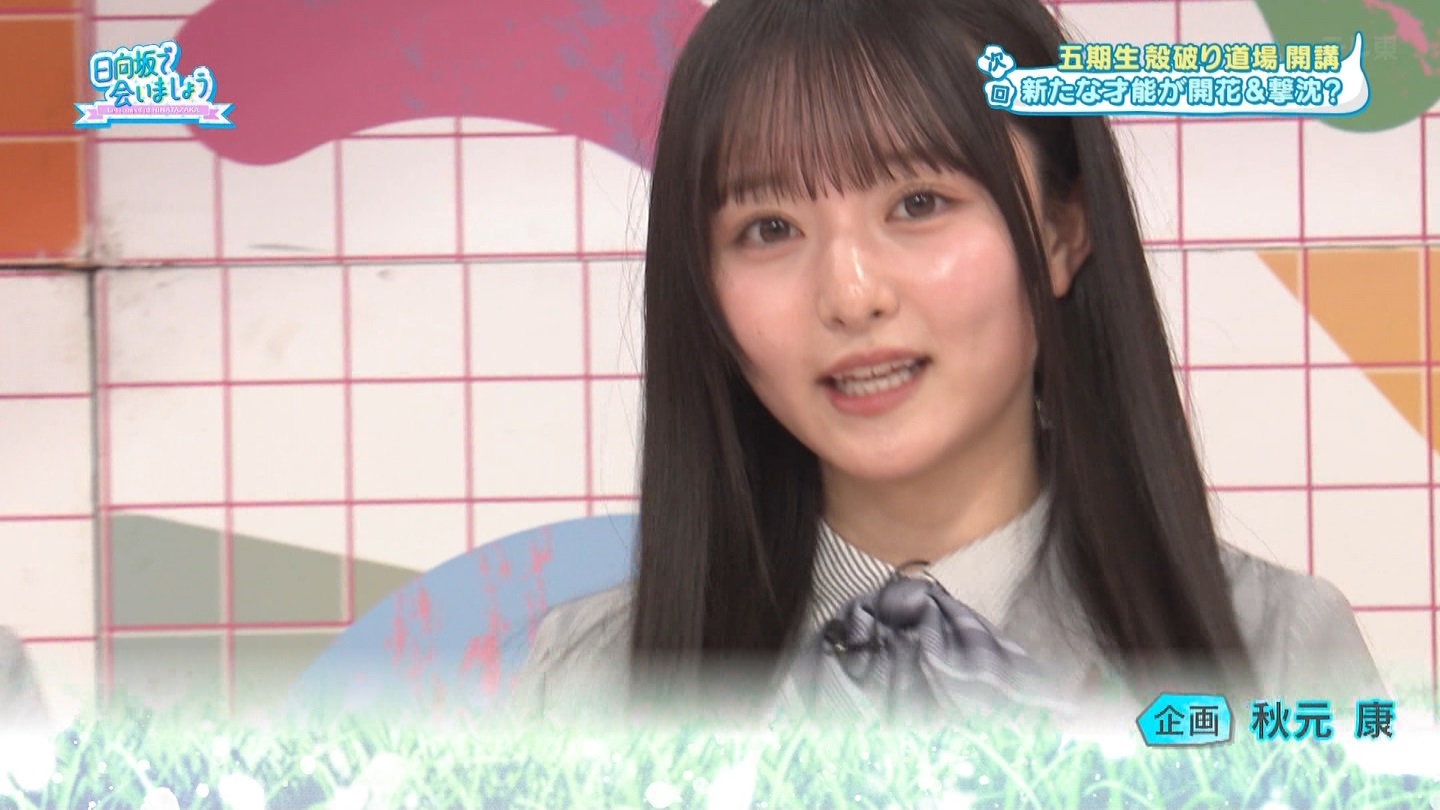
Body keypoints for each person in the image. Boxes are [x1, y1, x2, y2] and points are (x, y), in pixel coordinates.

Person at [510, 0, 1386, 726]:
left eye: (918, 203)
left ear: (1061, 231)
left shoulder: (1277, 656)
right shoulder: (587, 685)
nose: (851, 295)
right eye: (769, 228)